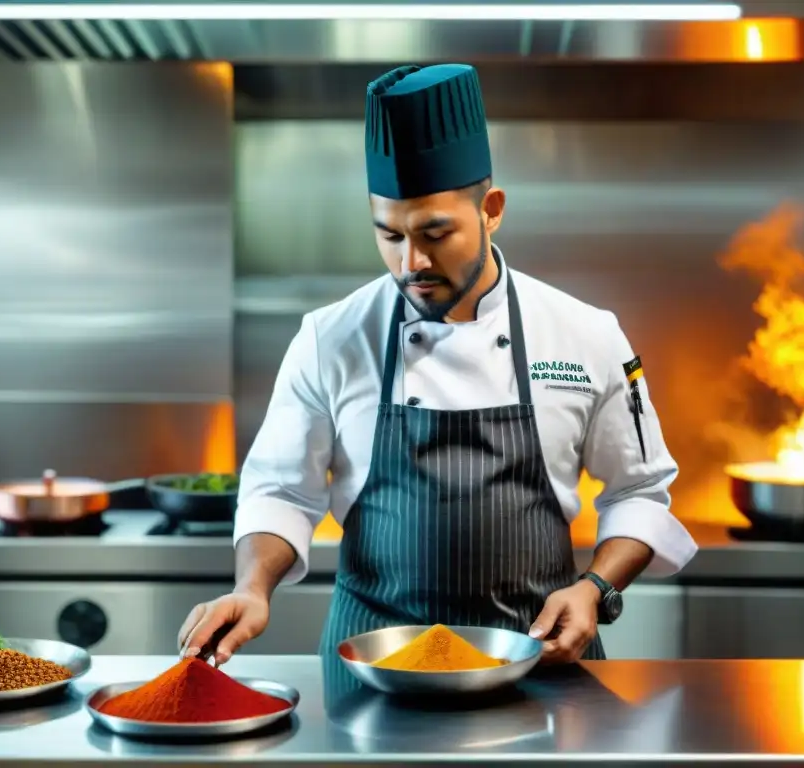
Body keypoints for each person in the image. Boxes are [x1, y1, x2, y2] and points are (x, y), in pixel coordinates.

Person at [178, 63, 698, 666]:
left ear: (492, 209)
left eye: (435, 233)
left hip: (540, 662)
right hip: (372, 667)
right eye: (390, 236)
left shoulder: (585, 334)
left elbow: (639, 491)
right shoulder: (330, 338)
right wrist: (252, 587)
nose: (410, 262)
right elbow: (281, 492)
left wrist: (596, 588)